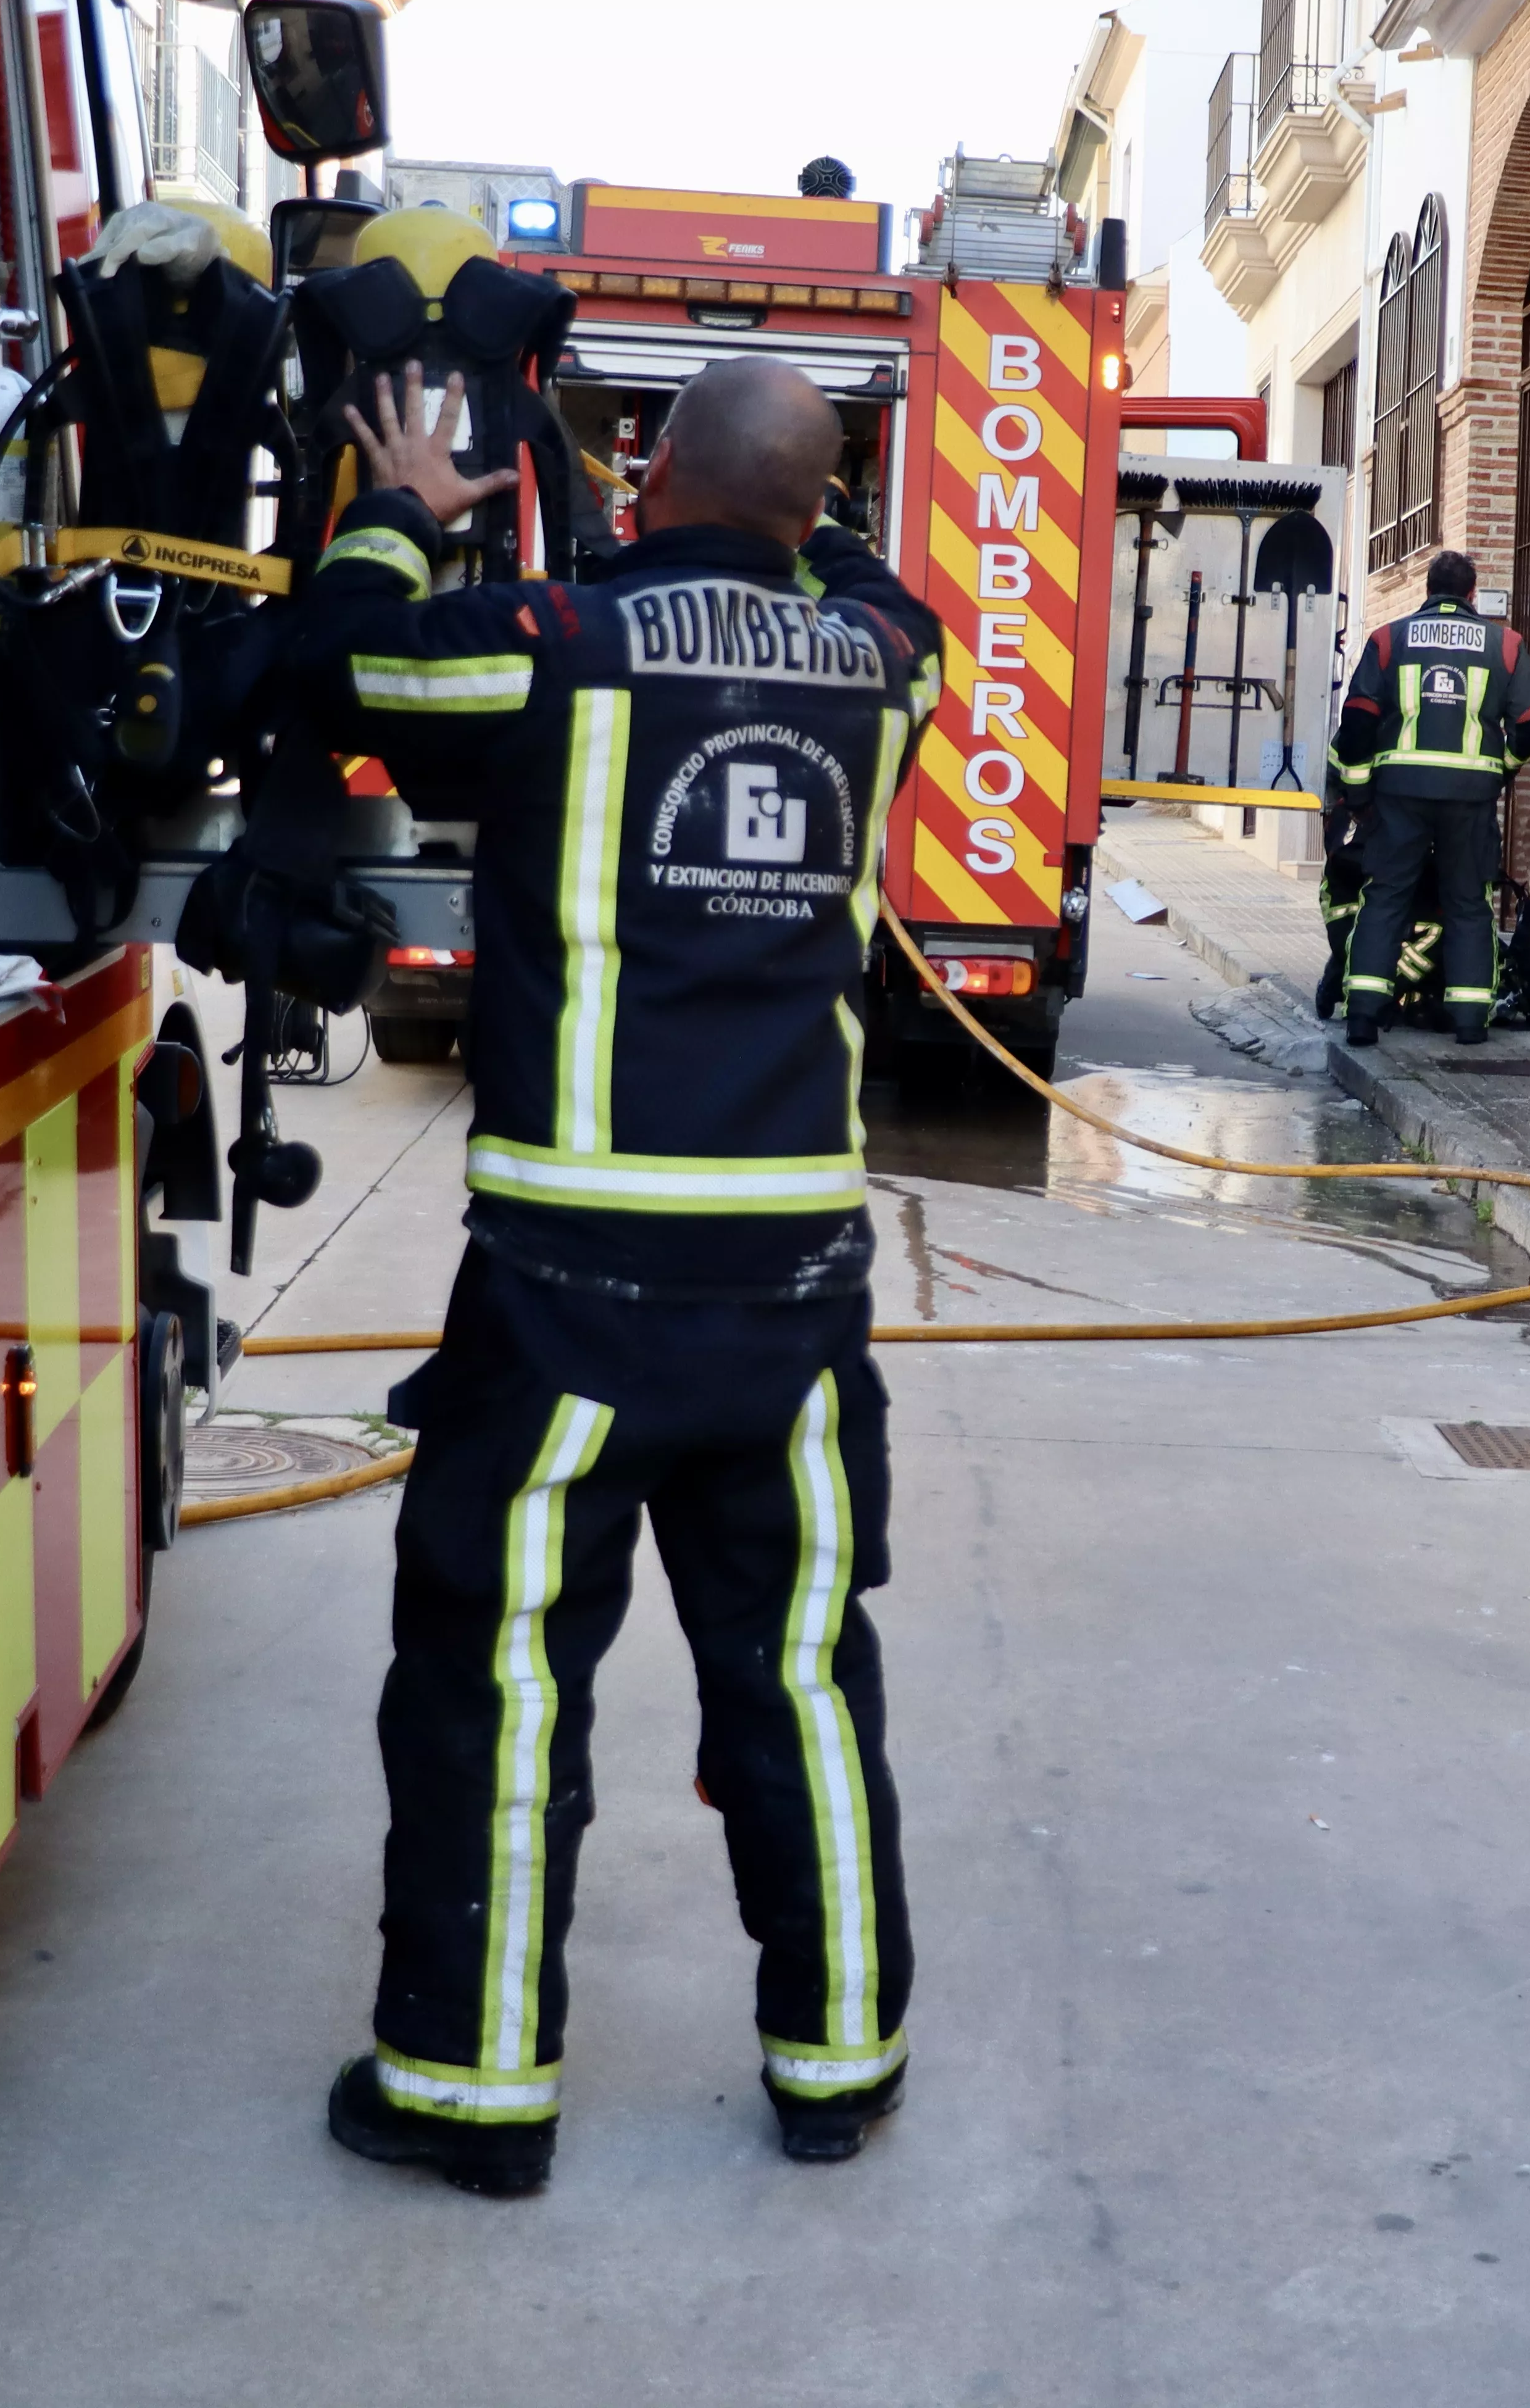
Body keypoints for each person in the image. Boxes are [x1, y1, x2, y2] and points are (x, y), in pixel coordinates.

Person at [280, 355, 942, 2197]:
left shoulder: (556, 638)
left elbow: (359, 665)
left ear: (646, 473)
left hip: (570, 1279)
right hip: (797, 1289)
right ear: (811, 510)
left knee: (494, 1676)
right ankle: (839, 2066)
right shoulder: (883, 659)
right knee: (798, 1671)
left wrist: (410, 504)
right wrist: (797, 530)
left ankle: (472, 2092)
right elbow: (888, 597)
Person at [1326, 549, 1530, 1047]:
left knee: (1385, 897)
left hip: (1399, 795)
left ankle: (1363, 1016)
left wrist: (1359, 797)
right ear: (1472, 594)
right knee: (1468, 903)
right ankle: (1470, 1023)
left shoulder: (1388, 639)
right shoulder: (1505, 644)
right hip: (1471, 797)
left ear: (1427, 591)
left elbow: (1357, 722)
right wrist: (1503, 770)